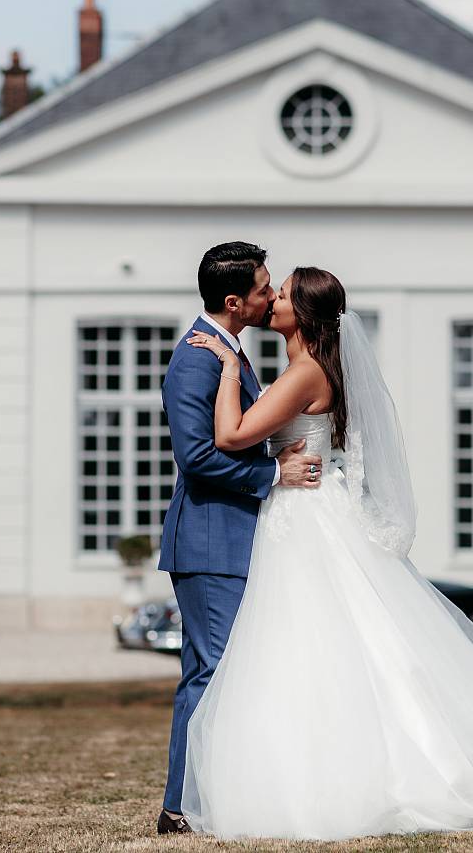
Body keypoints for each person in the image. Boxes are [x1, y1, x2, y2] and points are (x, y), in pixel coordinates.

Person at [177, 266, 473, 841]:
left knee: (312, 639)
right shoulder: (310, 367)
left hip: (303, 515)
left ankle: (343, 777)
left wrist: (229, 370)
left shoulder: (303, 373)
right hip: (304, 508)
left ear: (301, 314)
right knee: (327, 639)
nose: (271, 300)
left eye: (280, 294)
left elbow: (230, 437)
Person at [155, 242, 325, 834]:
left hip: (238, 537)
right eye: (263, 288)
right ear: (234, 301)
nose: (270, 296)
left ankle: (214, 798)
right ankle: (180, 808)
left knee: (230, 671)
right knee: (213, 671)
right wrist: (275, 473)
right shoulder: (195, 360)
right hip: (209, 541)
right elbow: (197, 457)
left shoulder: (229, 353)